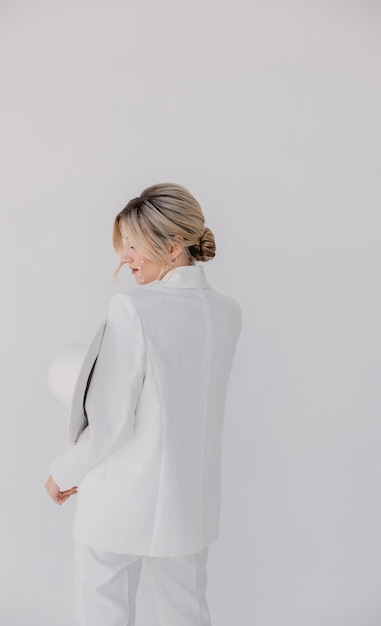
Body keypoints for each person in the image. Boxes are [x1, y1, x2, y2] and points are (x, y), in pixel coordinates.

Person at [45, 183, 242, 625]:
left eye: (133, 246)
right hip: (187, 504)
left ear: (172, 247)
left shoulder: (133, 307)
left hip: (118, 500)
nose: (125, 258)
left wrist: (64, 471)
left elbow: (112, 422)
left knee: (103, 613)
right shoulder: (228, 312)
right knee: (187, 614)